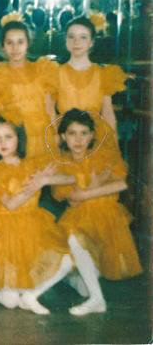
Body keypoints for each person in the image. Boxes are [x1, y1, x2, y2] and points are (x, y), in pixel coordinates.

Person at [0, 116, 74, 315]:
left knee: (66, 260)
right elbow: (10, 204)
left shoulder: (33, 164)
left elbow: (71, 177)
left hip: (33, 225)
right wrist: (35, 185)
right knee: (10, 302)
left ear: (19, 138)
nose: (3, 143)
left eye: (8, 137)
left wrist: (46, 180)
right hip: (4, 231)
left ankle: (31, 295)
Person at [53, 109, 142, 316]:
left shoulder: (103, 157)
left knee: (84, 270)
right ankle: (95, 296)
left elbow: (120, 184)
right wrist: (94, 186)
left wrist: (88, 192)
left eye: (84, 133)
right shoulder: (62, 164)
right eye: (72, 133)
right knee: (74, 240)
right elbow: (72, 199)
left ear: (92, 135)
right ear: (64, 137)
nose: (78, 140)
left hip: (106, 219)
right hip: (80, 217)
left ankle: (92, 294)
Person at [49, 16, 127, 157]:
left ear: (91, 42)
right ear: (65, 40)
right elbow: (49, 111)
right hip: (66, 139)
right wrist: (56, 139)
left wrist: (114, 146)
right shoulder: (54, 73)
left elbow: (108, 113)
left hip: (96, 139)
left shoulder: (104, 74)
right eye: (71, 36)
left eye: (83, 37)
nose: (76, 42)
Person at [0, 19, 57, 158]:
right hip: (16, 140)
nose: (15, 48)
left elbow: (50, 110)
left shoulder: (42, 70)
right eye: (10, 43)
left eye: (20, 42)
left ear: (28, 43)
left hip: (43, 136)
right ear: (2, 46)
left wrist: (57, 135)